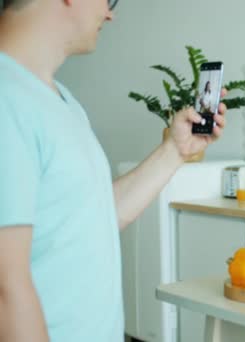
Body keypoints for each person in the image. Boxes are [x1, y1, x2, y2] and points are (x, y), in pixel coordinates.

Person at [0, 1, 227, 341]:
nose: (109, 13)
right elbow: (6, 288)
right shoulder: (7, 98)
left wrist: (175, 151)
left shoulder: (61, 100)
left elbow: (93, 216)